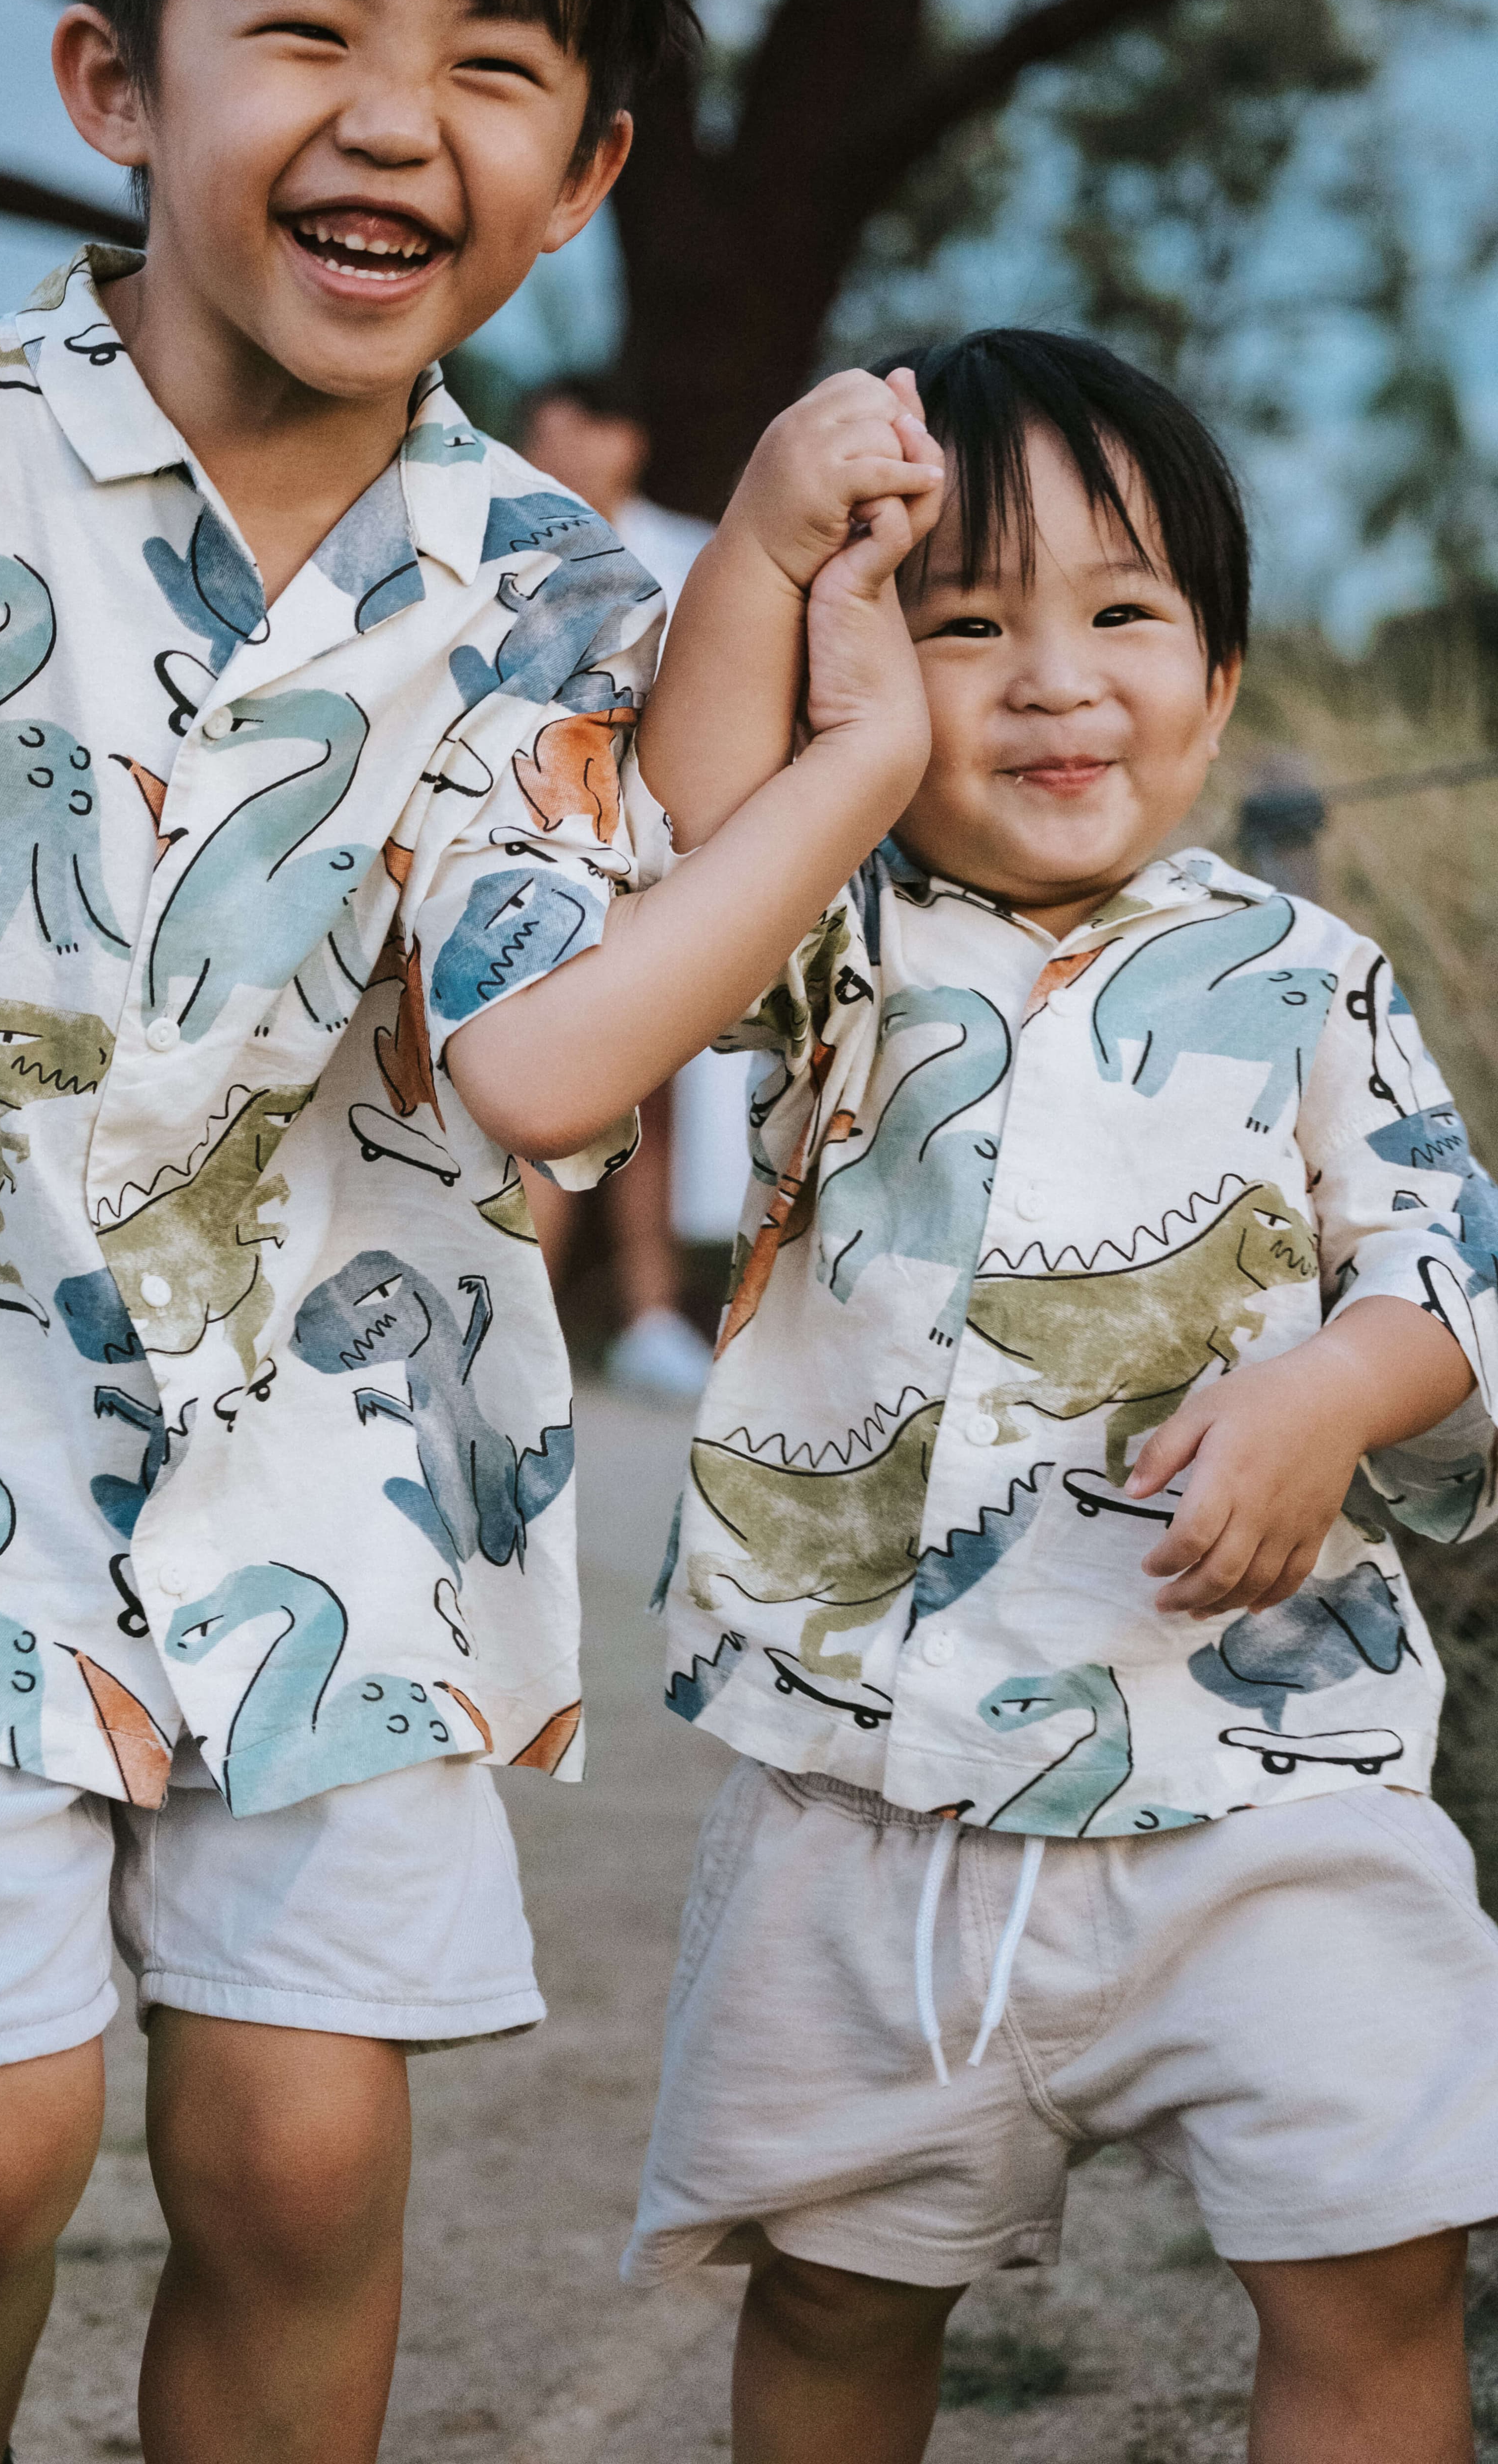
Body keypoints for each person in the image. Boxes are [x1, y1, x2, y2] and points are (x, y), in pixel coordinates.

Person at [0, 0, 945, 2464]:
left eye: (489, 68)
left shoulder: (551, 592)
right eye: (313, 33)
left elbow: (551, 1037)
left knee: (301, 2154)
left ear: (577, 182)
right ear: (119, 80)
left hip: (347, 1437)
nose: (391, 117)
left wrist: (816, 702)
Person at [624, 328, 1498, 2464]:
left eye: (1124, 616)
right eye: (966, 625)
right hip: (873, 1798)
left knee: (1380, 2261)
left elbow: (1452, 1274)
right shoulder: (824, 944)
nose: (1052, 679)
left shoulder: (1308, 977)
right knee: (834, 2293)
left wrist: (1328, 1390)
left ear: (1217, 680)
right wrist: (758, 537)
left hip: (1273, 1774)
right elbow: (695, 804)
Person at [516, 368, 721, 1398]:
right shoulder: (504, 553)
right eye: (550, 434)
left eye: (589, 432)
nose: (572, 454)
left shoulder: (694, 556)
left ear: (628, 443)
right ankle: (521, 1320)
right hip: (536, 849)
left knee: (655, 1089)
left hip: (661, 847)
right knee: (537, 1083)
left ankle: (650, 1316)